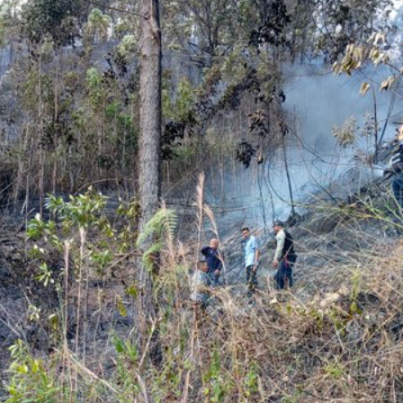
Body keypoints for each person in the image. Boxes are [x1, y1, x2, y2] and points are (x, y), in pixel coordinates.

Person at [272, 220, 297, 290]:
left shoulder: (281, 233)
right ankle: (285, 291)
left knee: (282, 276)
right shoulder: (285, 233)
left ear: (279, 226)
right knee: (280, 276)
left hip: (287, 257)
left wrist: (276, 259)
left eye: (274, 226)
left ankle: (283, 292)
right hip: (289, 257)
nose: (274, 228)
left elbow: (279, 248)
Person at [384, 125, 403, 211]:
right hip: (398, 176)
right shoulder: (398, 146)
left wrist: (396, 167)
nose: (396, 135)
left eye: (398, 133)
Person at [241, 227, 260, 295]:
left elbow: (257, 250)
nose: (245, 234)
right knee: (249, 279)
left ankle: (256, 294)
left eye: (246, 233)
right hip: (248, 263)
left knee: (252, 279)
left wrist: (255, 263)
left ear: (249, 232)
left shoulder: (253, 239)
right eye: (243, 234)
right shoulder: (245, 242)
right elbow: (246, 254)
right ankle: (252, 294)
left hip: (252, 262)